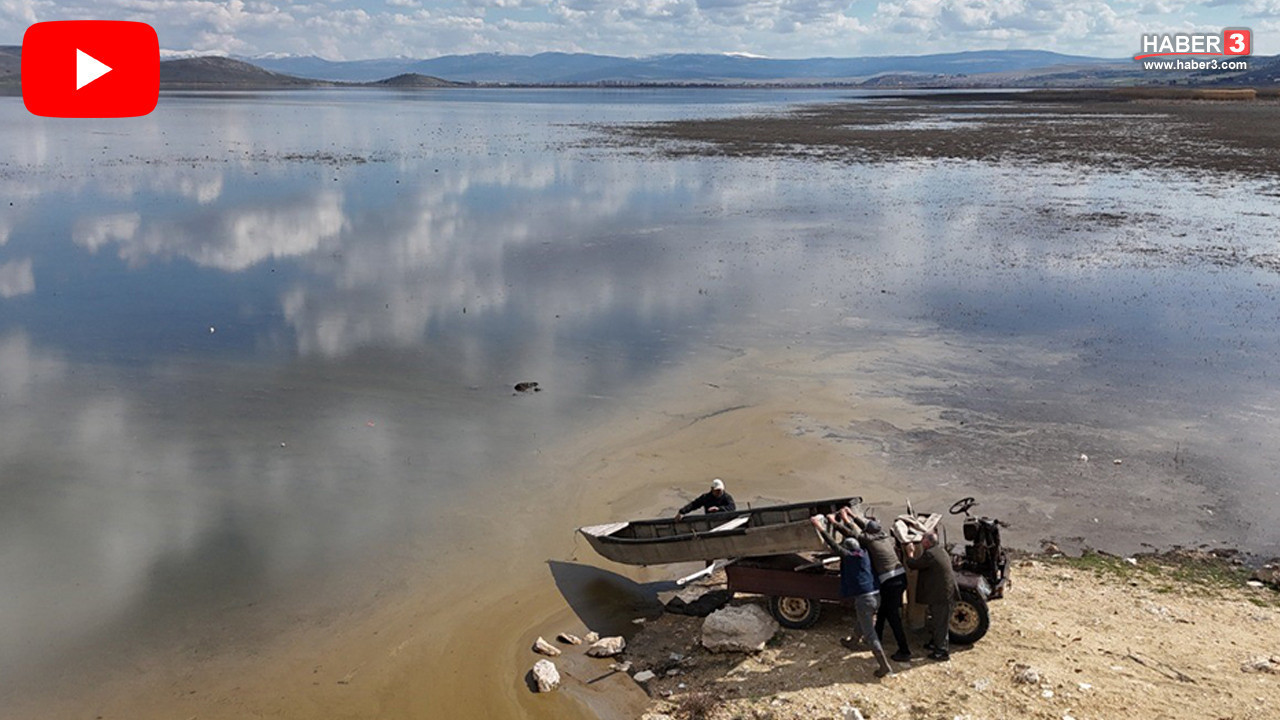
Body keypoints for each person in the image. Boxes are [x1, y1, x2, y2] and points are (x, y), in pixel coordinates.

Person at [811, 515, 894, 678]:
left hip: (865, 598)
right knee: (864, 619)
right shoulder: (864, 553)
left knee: (870, 634)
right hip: (876, 595)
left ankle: (884, 666)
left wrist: (819, 526)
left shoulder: (849, 557)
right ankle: (853, 642)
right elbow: (854, 536)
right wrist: (840, 521)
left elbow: (833, 544)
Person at [831, 507, 912, 662]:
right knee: (883, 610)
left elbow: (850, 533)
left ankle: (904, 650)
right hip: (900, 577)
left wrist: (838, 520)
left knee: (893, 616)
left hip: (890, 582)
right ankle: (877, 637)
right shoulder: (882, 535)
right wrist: (852, 514)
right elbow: (866, 525)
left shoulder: (868, 540)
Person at [904, 530, 959, 661]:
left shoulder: (930, 555)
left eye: (923, 540)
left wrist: (910, 553)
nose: (921, 542)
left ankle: (941, 651)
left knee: (940, 623)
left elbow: (913, 564)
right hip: (942, 592)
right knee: (936, 620)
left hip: (942, 595)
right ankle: (935, 643)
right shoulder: (939, 550)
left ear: (927, 542)